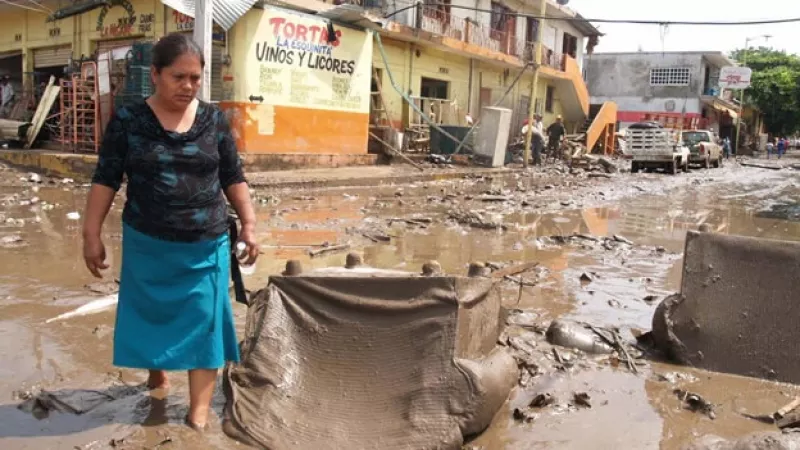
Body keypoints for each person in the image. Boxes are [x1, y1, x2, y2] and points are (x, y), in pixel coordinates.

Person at [81, 33, 258, 431]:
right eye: (179, 77)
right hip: (148, 244)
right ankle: (157, 373)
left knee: (206, 322)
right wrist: (90, 234)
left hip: (206, 243)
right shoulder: (128, 121)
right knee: (152, 317)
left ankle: (197, 411)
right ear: (156, 74)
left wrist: (248, 223)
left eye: (196, 78)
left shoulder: (214, 120)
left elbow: (233, 176)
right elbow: (106, 178)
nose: (189, 86)